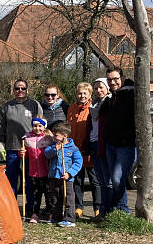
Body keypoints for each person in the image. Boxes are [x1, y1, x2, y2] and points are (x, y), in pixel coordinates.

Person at [0, 79, 43, 215]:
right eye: (17, 88)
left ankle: (30, 208)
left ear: (27, 90)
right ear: (13, 90)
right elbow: (1, 127)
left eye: (23, 88)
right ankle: (11, 208)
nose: (20, 91)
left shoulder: (34, 105)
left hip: (30, 149)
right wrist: (0, 144)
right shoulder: (7, 106)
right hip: (12, 147)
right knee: (11, 180)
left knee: (30, 179)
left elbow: (41, 125)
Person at [98, 68, 135, 214]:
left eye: (115, 79)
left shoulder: (130, 93)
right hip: (110, 144)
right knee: (113, 180)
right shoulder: (112, 97)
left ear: (122, 78)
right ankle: (117, 209)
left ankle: (123, 210)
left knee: (118, 179)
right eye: (109, 79)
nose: (112, 82)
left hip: (125, 144)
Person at [67, 82, 99, 218]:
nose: (82, 96)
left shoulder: (93, 108)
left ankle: (97, 208)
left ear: (90, 94)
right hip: (75, 151)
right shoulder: (71, 108)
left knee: (94, 181)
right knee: (78, 180)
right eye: (80, 93)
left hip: (89, 150)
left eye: (85, 93)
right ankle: (78, 207)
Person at [45, 122, 83, 227]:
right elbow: (47, 155)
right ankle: (56, 217)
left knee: (68, 198)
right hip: (54, 176)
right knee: (55, 197)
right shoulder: (53, 145)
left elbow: (78, 162)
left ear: (65, 135)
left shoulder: (73, 148)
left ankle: (70, 219)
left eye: (56, 135)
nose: (54, 137)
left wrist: (69, 173)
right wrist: (54, 149)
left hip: (66, 179)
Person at [19, 117, 54, 223]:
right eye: (35, 126)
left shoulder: (48, 138)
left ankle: (50, 212)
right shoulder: (27, 138)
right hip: (34, 171)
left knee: (49, 193)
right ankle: (35, 213)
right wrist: (21, 153)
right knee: (35, 194)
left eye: (40, 126)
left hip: (47, 171)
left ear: (44, 127)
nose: (37, 128)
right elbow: (24, 155)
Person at [89, 78, 112, 216]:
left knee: (107, 179)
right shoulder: (94, 104)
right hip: (94, 142)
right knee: (101, 179)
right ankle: (103, 211)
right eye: (96, 88)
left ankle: (110, 210)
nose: (98, 90)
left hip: (104, 142)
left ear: (107, 88)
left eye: (101, 87)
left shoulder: (109, 102)